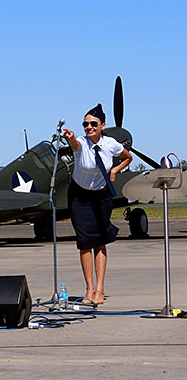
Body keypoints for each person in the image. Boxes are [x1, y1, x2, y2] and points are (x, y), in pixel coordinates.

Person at [63, 103, 132, 305]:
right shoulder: (81, 144)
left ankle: (100, 289)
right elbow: (75, 144)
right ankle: (89, 290)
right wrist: (70, 138)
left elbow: (128, 157)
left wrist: (115, 171)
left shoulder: (111, 144)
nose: (89, 127)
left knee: (100, 241)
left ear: (102, 125)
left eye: (93, 123)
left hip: (101, 197)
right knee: (85, 243)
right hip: (80, 197)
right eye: (85, 124)